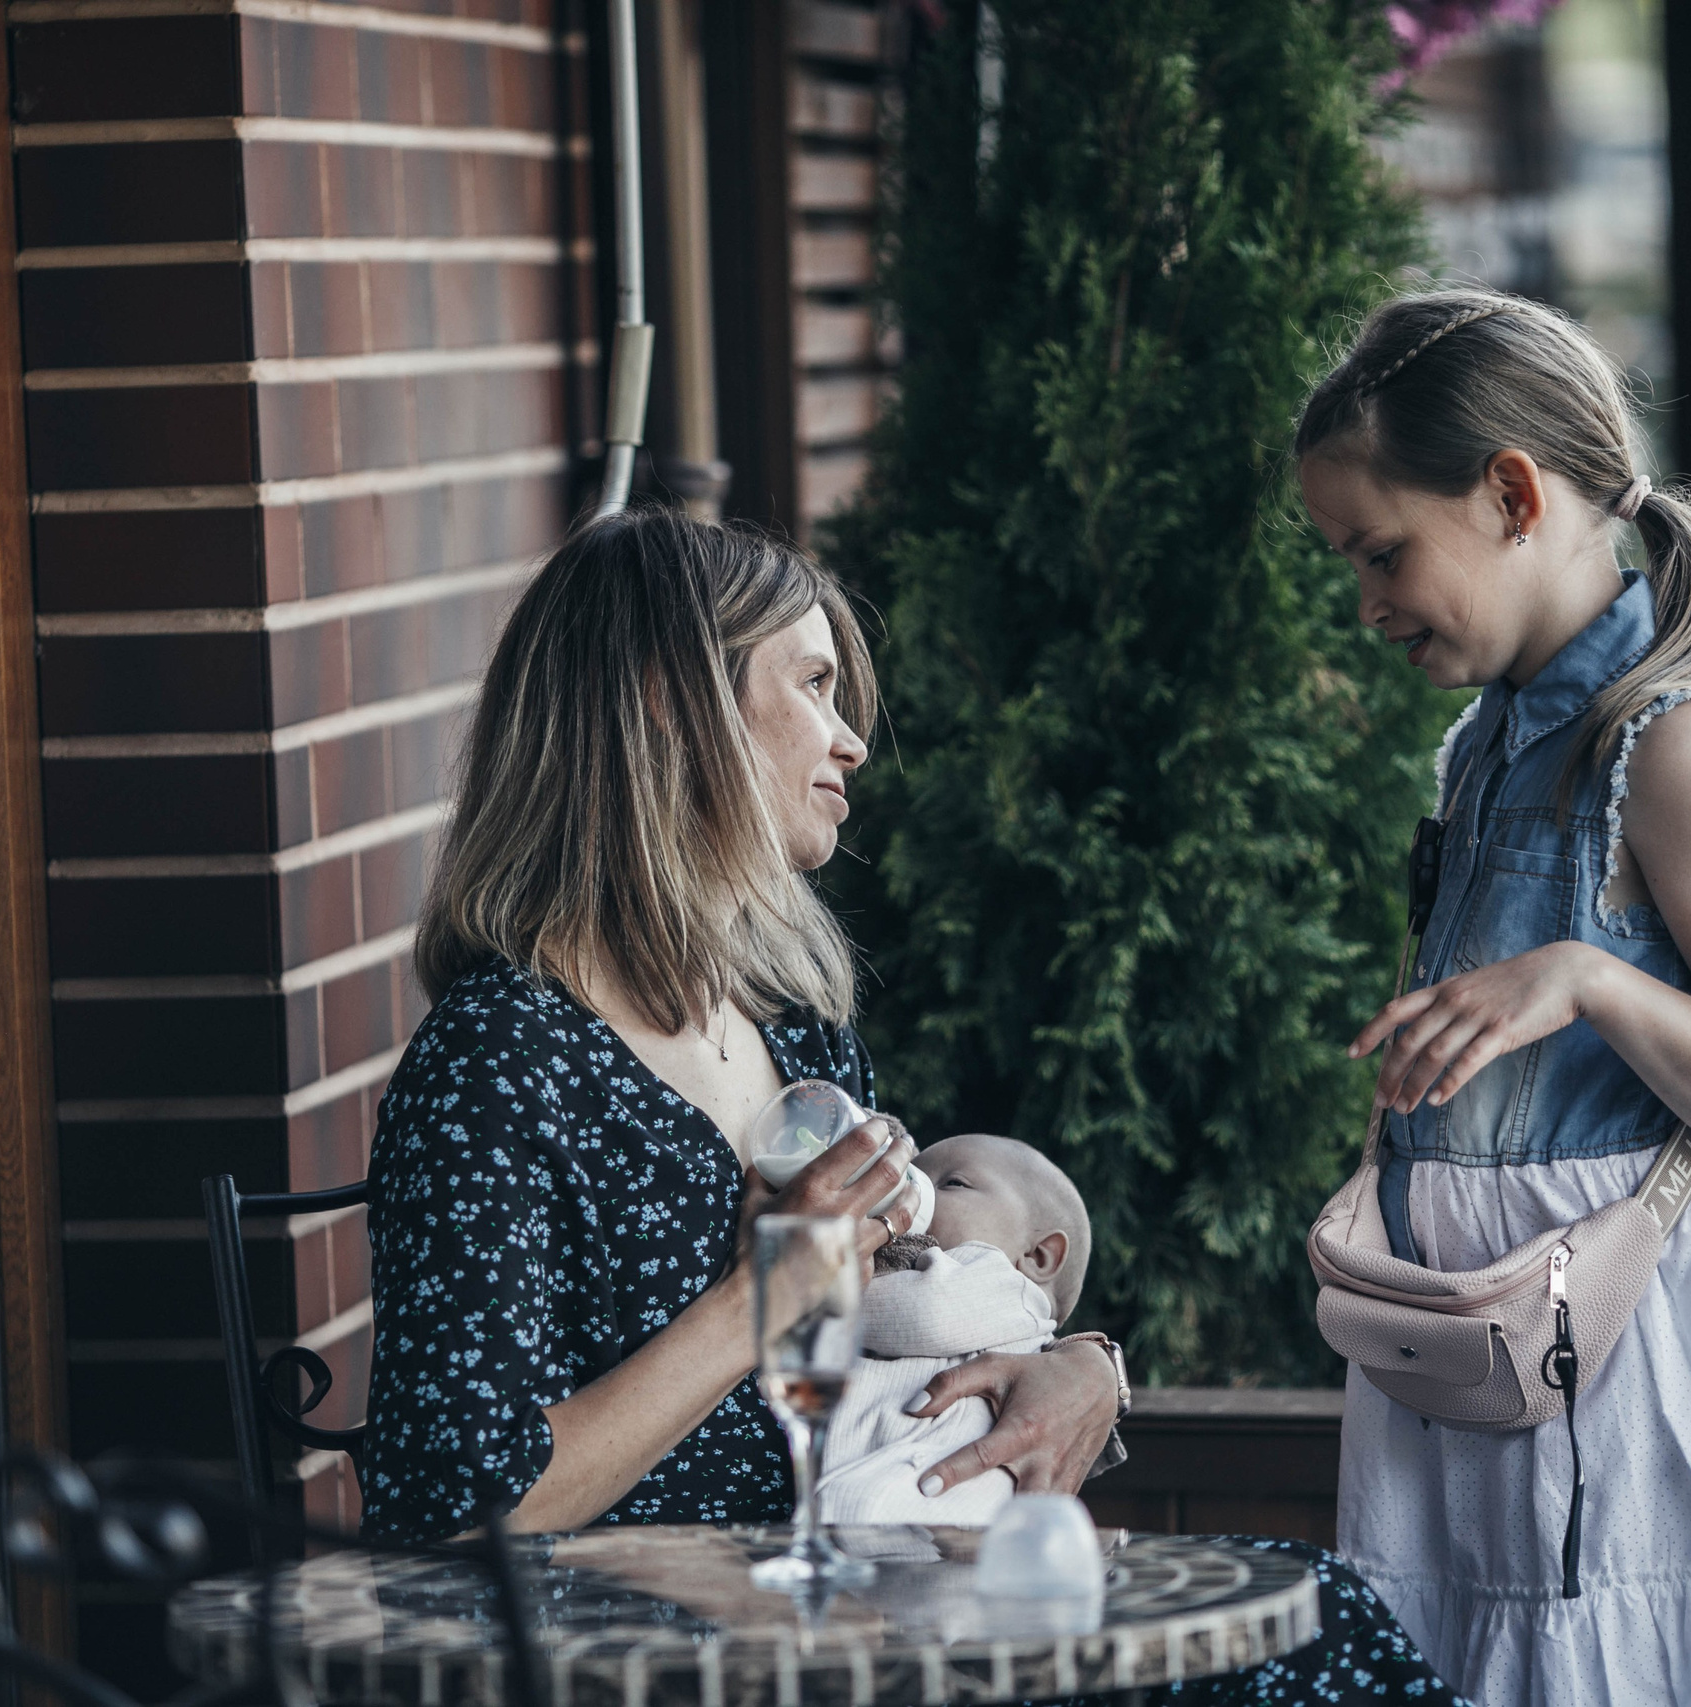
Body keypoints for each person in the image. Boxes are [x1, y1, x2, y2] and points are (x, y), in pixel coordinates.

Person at [362, 508, 1467, 1702]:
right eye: (814, 685)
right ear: (669, 702)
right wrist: (768, 1294)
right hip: (670, 1650)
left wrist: (1080, 1366)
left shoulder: (787, 1021)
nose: (849, 742)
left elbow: (900, 1313)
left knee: (1312, 1609)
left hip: (871, 1590)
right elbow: (453, 1511)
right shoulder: (498, 1063)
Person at [1296, 288, 1691, 1705]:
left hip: (1630, 1381)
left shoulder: (1676, 745)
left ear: (1513, 493)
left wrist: (1587, 981)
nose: (1366, 598)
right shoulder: (1484, 745)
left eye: (1383, 550)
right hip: (1472, 1362)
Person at [816, 1134, 1088, 1525]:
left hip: (946, 1514)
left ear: (1037, 1256)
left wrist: (813, 1282)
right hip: (871, 1513)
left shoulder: (1008, 1288)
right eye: (911, 1177)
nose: (909, 1191)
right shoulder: (912, 1281)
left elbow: (924, 1312)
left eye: (952, 1183)